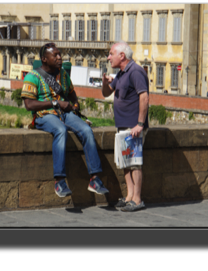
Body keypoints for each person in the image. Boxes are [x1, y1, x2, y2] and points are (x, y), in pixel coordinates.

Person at [21, 43, 109, 198]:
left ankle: (94, 179)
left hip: (64, 113)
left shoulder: (63, 75)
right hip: (44, 115)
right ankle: (59, 181)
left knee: (87, 130)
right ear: (44, 59)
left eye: (59, 54)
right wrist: (55, 103)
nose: (59, 57)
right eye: (54, 55)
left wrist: (75, 105)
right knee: (60, 131)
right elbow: (29, 105)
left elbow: (71, 93)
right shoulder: (32, 77)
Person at [102, 42, 149, 212]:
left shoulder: (135, 71)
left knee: (135, 163)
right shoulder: (122, 73)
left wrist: (140, 124)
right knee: (125, 163)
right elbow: (107, 93)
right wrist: (104, 82)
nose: (109, 57)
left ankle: (137, 199)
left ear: (122, 55)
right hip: (123, 126)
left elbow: (144, 98)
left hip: (133, 127)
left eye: (111, 53)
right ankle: (129, 196)